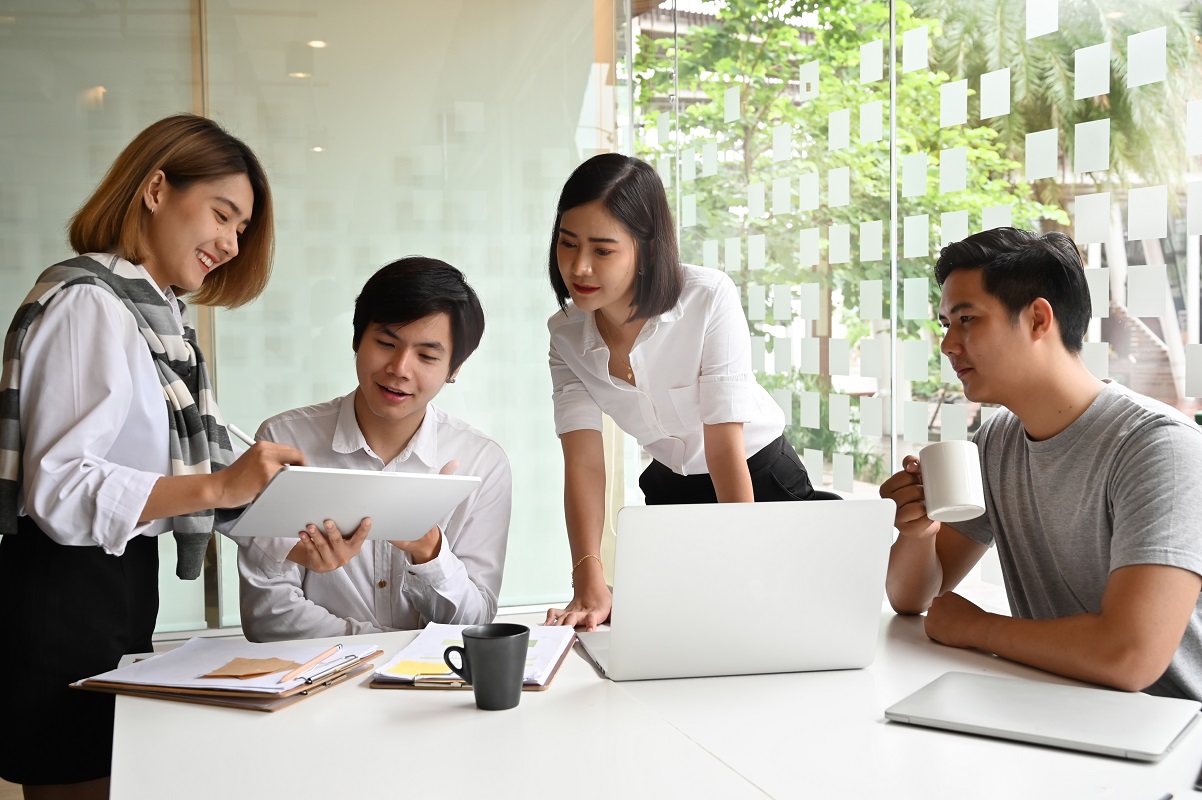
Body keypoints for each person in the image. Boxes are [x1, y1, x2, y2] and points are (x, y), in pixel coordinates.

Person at [0, 114, 308, 799]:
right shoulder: (89, 305)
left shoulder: (161, 325)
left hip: (113, 596)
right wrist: (219, 488)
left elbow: (210, 470)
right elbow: (61, 488)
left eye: (242, 230)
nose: (230, 243)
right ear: (158, 188)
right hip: (62, 602)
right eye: (223, 215)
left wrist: (300, 533)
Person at [881, 227, 1202, 699]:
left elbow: (1130, 657)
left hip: (1174, 732)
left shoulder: (1158, 448)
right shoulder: (997, 441)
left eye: (966, 319)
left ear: (1037, 319)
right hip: (1059, 706)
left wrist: (979, 628)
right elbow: (913, 599)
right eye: (947, 324)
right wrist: (918, 533)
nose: (948, 344)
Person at [542, 153, 820, 632]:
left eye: (603, 251)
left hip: (755, 480)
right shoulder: (566, 335)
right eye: (568, 245)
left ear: (646, 250)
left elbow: (723, 441)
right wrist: (589, 578)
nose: (579, 267)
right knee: (676, 639)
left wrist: (744, 559)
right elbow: (584, 461)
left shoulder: (707, 297)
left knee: (777, 630)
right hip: (672, 488)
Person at [236, 257, 512, 641]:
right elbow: (268, 614)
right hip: (316, 686)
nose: (400, 368)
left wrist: (429, 551)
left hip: (435, 688)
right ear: (357, 338)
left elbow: (476, 622)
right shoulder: (286, 441)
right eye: (385, 343)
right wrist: (378, 647)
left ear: (455, 368)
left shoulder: (483, 462)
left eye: (427, 356)